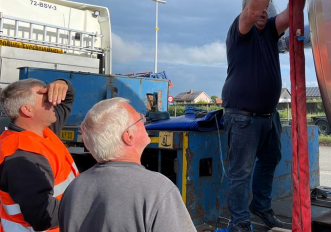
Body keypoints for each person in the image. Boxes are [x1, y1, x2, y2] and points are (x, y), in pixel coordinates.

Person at [221, 0, 306, 232]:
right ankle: (240, 222)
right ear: (248, 11)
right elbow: (254, 7)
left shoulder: (270, 30)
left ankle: (260, 205)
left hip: (268, 117)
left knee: (269, 160)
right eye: (259, 10)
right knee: (240, 172)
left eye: (266, 11)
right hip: (242, 116)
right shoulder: (240, 31)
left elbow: (291, 14)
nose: (263, 14)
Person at [59, 98, 196, 232]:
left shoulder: (75, 188)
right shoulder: (157, 189)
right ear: (128, 136)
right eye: (140, 119)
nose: (145, 122)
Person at [0, 78, 78, 232]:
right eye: (46, 99)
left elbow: (67, 99)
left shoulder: (42, 131)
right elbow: (43, 216)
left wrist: (62, 84)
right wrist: (89, 205)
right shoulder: (20, 155)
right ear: (27, 110)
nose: (53, 102)